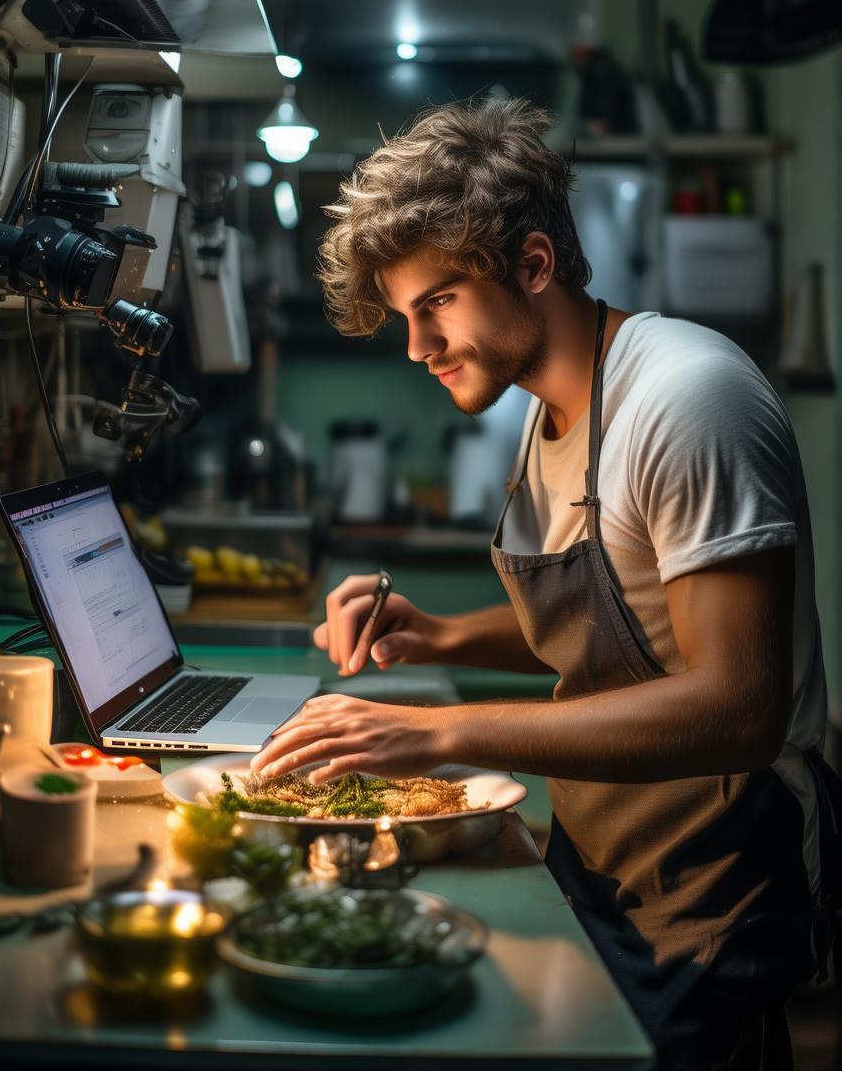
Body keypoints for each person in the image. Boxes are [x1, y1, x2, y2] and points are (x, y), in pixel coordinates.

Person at [250, 97, 839, 1069]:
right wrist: (440, 634)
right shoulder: (548, 408)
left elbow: (737, 706)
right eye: (404, 317)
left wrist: (437, 731)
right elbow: (619, 629)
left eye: (438, 303)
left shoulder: (687, 398)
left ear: (533, 264)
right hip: (599, 853)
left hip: (714, 883)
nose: (417, 347)